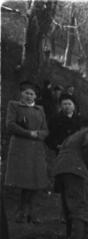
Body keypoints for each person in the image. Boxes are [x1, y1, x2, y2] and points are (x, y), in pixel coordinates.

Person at [4, 81, 50, 224]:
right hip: (21, 147)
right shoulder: (14, 105)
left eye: (32, 94)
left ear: (35, 96)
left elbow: (45, 129)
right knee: (23, 180)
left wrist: (40, 134)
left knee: (36, 180)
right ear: (21, 94)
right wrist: (29, 133)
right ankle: (21, 211)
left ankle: (31, 212)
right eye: (26, 93)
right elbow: (10, 125)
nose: (29, 96)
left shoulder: (39, 109)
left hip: (36, 149)